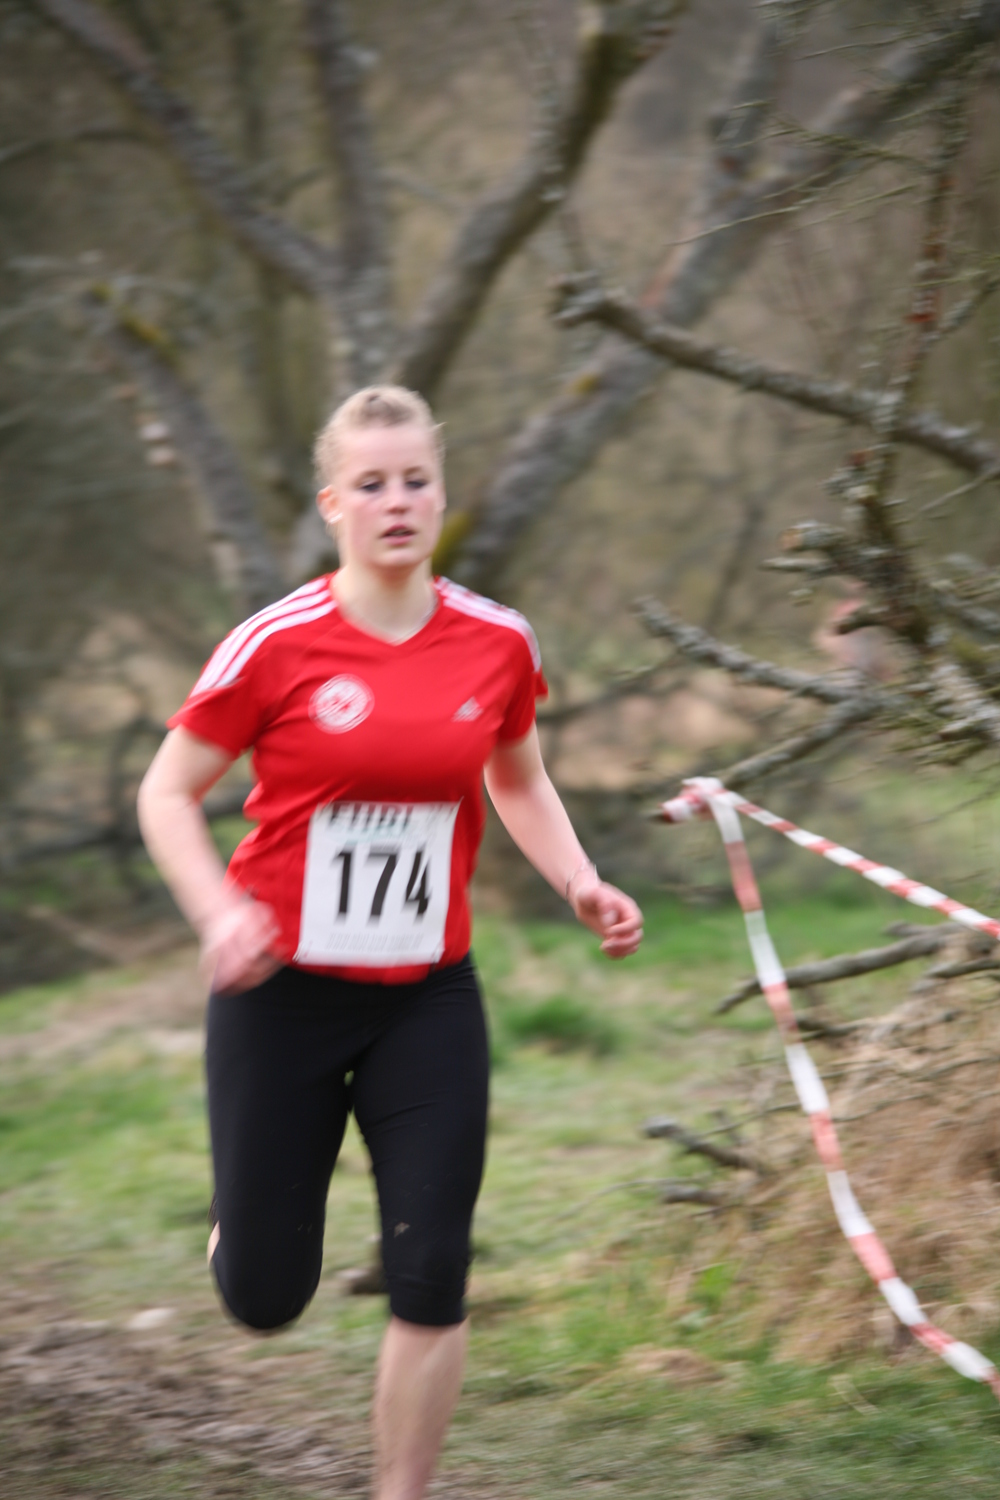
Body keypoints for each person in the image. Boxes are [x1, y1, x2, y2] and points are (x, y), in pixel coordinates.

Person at [137, 385, 643, 1500]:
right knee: (265, 1295)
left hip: (427, 991)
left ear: (441, 496)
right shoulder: (274, 644)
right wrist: (219, 914)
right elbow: (166, 794)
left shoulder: (497, 641)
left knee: (433, 1264)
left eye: (416, 480)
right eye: (371, 484)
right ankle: (244, 1213)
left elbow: (518, 776)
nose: (397, 501)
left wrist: (580, 880)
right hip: (280, 991)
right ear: (334, 505)